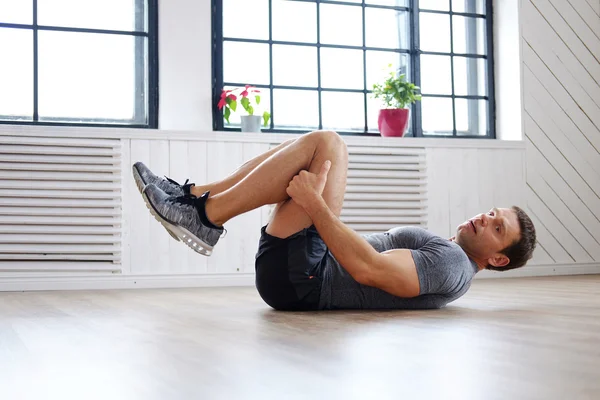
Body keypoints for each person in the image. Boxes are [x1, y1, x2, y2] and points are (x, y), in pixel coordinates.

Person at [132, 130, 537, 311]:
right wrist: (312, 203)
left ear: (498, 259)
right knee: (313, 146)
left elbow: (366, 268)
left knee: (327, 146)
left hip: (305, 281)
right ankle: (195, 199)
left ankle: (203, 215)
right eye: (491, 214)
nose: (485, 220)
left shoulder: (451, 265)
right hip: (302, 271)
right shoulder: (449, 255)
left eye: (497, 228)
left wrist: (313, 203)